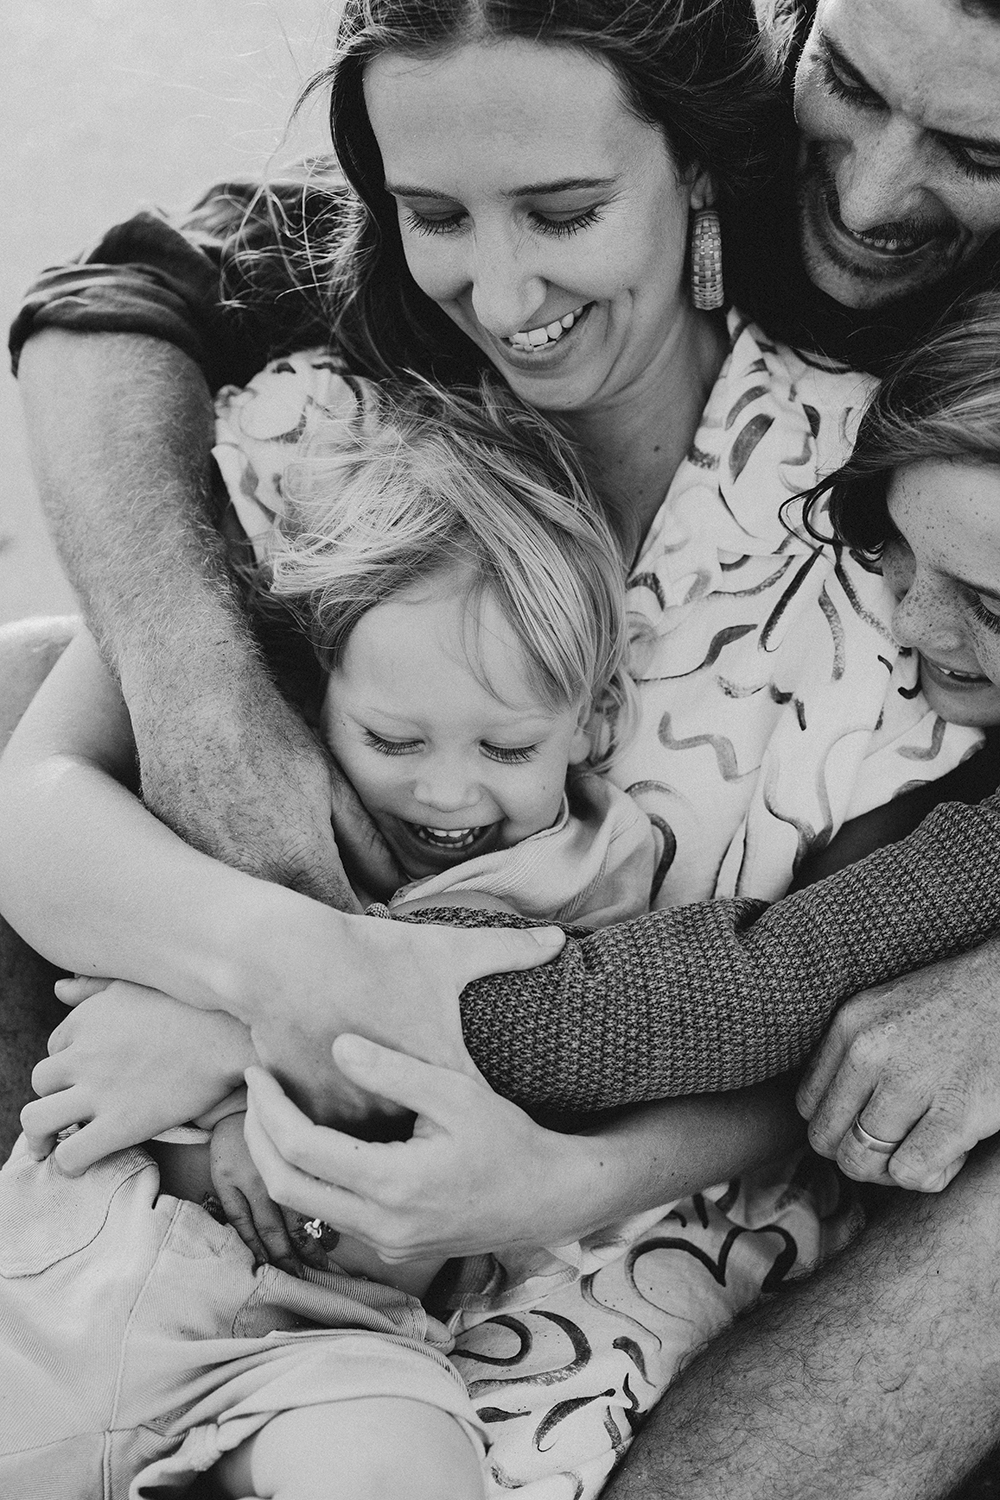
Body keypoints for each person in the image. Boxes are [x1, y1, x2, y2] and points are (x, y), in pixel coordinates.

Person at [4, 0, 1000, 1494]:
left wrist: (522, 1161)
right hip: (163, 1234)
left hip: (587, 1275)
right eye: (435, 217)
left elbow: (791, 998)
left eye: (566, 213)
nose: (503, 283)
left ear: (702, 175)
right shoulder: (362, 425)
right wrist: (275, 966)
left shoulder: (894, 524)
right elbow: (41, 801)